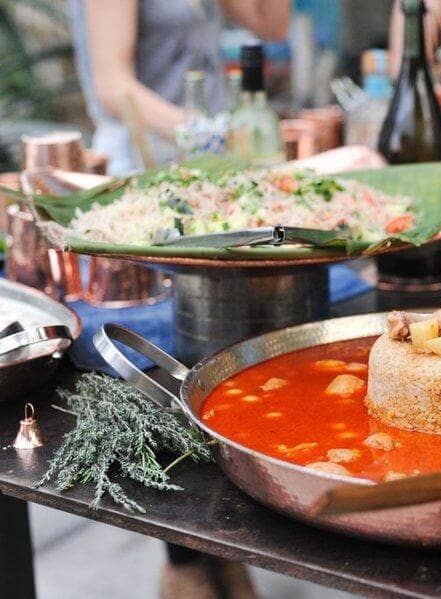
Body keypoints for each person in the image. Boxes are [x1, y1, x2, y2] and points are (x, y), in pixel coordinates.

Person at [69, 3, 289, 597]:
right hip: (144, 181)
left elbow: (273, 26)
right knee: (175, 367)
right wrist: (204, 132)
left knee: (225, 365)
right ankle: (187, 564)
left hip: (210, 185)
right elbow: (111, 83)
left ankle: (212, 556)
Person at [69, 0, 289, 176]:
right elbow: (111, 86)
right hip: (144, 160)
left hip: (211, 156)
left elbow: (269, 25)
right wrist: (199, 132)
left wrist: (212, 137)